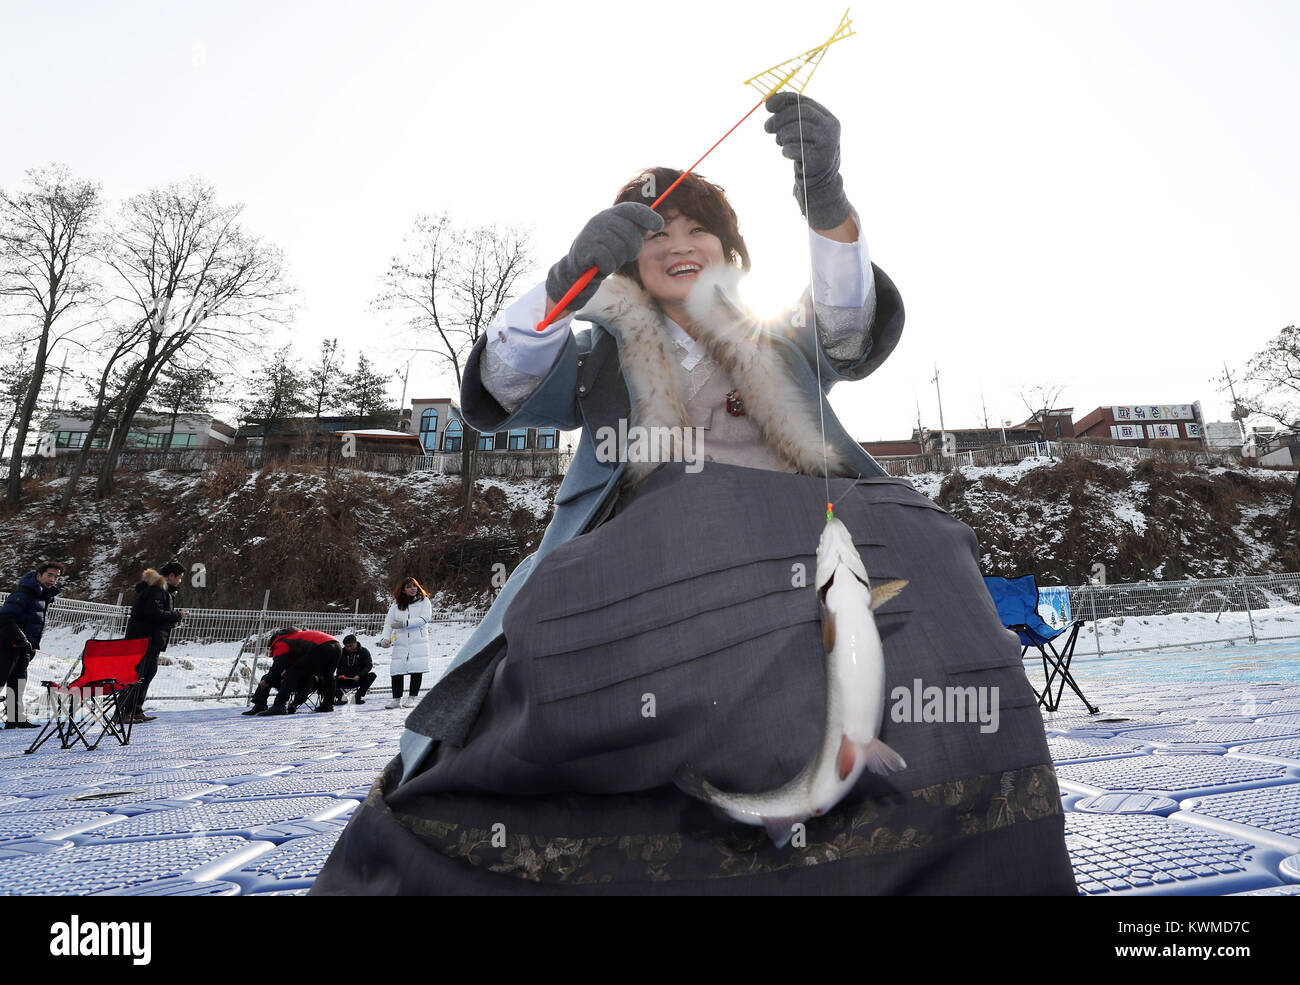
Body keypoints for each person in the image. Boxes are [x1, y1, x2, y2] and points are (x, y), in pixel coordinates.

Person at [315, 95, 1074, 895]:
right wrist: (562, 286)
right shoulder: (590, 356)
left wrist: (829, 206)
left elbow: (849, 325)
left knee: (929, 546)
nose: (676, 243)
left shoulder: (781, 337)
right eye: (652, 234)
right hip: (651, 547)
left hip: (804, 529)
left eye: (696, 228)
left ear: (729, 250)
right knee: (653, 555)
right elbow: (504, 380)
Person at [0, 561, 64, 730]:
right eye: (49, 575)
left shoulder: (42, 598)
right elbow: (5, 619)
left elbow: (33, 624)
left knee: (18, 683)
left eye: (56, 577)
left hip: (24, 649)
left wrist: (30, 646)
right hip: (7, 645)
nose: (52, 579)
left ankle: (15, 718)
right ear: (38, 575)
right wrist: (21, 640)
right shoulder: (23, 595)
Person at [123, 563, 187, 723]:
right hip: (144, 640)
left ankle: (136, 710)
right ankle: (125, 712)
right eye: (179, 577)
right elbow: (154, 613)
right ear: (171, 576)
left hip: (149, 640)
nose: (179, 581)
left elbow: (155, 615)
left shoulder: (160, 590)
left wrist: (171, 620)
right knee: (138, 675)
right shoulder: (157, 591)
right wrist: (176, 616)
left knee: (147, 673)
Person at [258, 627, 343, 715]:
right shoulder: (297, 637)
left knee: (292, 672)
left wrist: (267, 681)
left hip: (321, 646)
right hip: (336, 646)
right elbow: (301, 661)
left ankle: (279, 706)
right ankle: (327, 705)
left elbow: (278, 665)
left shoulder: (281, 641)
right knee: (328, 675)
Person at [377, 577, 432, 709]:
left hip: (418, 641)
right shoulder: (396, 605)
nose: (412, 589)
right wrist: (385, 638)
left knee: (416, 669)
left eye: (414, 586)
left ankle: (412, 698)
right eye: (408, 587)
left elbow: (425, 618)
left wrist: (405, 623)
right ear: (403, 590)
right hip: (400, 641)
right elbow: (389, 623)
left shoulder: (424, 602)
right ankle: (396, 699)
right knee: (396, 670)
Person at [335, 634, 376, 705]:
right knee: (329, 679)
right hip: (343, 678)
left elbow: (368, 665)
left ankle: (357, 697)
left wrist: (359, 675)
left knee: (372, 675)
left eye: (350, 645)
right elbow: (333, 665)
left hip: (358, 679)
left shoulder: (364, 651)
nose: (349, 648)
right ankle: (341, 698)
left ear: (355, 643)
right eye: (347, 646)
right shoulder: (340, 652)